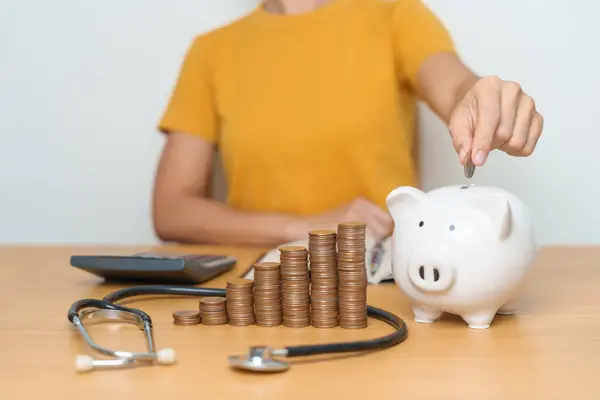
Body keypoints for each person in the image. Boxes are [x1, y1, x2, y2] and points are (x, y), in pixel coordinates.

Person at [152, 0, 543, 247]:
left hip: (386, 288)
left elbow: (455, 85)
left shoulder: (396, 15)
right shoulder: (212, 52)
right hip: (262, 291)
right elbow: (172, 209)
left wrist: (479, 96)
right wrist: (302, 227)